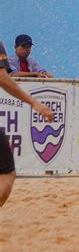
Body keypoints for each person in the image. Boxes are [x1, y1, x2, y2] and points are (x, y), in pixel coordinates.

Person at [0, 41, 54, 207]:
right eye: (23, 46)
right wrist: (34, 102)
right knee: (6, 174)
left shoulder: (32, 62)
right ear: (16, 47)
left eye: (28, 46)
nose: (26, 49)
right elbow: (3, 77)